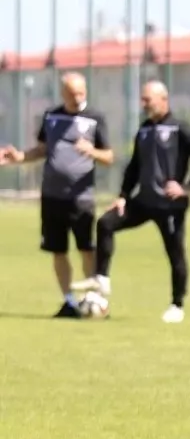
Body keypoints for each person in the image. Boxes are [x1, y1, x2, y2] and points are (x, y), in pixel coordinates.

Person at [72, 81, 190, 323]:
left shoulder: (180, 128)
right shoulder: (144, 129)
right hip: (143, 202)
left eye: (148, 99)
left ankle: (177, 305)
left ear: (163, 99)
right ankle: (102, 279)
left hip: (170, 206)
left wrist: (188, 188)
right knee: (106, 223)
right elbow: (134, 167)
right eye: (143, 99)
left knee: (175, 253)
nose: (144, 104)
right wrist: (123, 196)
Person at [0, 73, 113, 318]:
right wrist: (19, 157)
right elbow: (42, 149)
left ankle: (93, 298)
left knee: (86, 248)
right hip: (51, 196)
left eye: (81, 93)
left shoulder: (94, 118)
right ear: (63, 94)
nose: (78, 98)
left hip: (81, 197)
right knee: (57, 250)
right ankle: (68, 301)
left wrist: (91, 150)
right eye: (72, 94)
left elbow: (109, 157)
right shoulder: (51, 116)